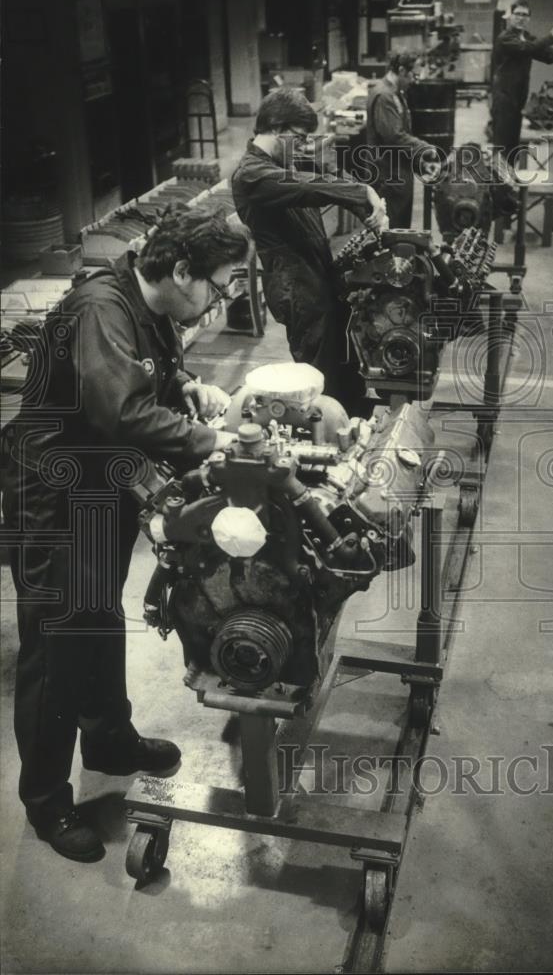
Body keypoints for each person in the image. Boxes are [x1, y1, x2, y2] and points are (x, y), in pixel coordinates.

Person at [2, 207, 249, 863]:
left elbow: (147, 378)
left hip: (98, 482)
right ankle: (47, 801)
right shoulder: (98, 309)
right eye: (218, 286)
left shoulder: (148, 306)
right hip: (54, 496)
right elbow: (120, 407)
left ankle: (110, 742)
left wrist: (190, 389)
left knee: (99, 618)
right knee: (56, 647)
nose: (218, 300)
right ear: (178, 270)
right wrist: (211, 441)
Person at [231, 87, 388, 417]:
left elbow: (330, 175)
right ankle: (329, 446)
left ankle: (356, 427)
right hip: (298, 290)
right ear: (276, 127)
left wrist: (368, 205)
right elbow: (308, 187)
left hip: (319, 275)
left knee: (347, 371)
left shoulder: (287, 159)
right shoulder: (252, 175)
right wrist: (361, 193)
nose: (303, 145)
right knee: (322, 382)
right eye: (299, 136)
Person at [491, 0, 553, 165]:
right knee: (502, 143)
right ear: (510, 17)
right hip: (504, 97)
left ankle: (509, 183)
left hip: (519, 96)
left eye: (525, 15)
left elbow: (548, 57)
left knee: (513, 143)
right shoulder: (505, 38)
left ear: (529, 18)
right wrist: (552, 36)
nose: (521, 18)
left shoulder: (528, 38)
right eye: (518, 14)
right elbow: (526, 49)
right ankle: (498, 186)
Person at [366, 51, 439, 228]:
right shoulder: (384, 96)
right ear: (401, 70)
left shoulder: (396, 93)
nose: (415, 80)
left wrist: (420, 165)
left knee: (402, 234)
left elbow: (401, 141)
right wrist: (425, 148)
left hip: (399, 174)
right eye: (413, 75)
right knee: (391, 233)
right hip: (388, 179)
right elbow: (394, 137)